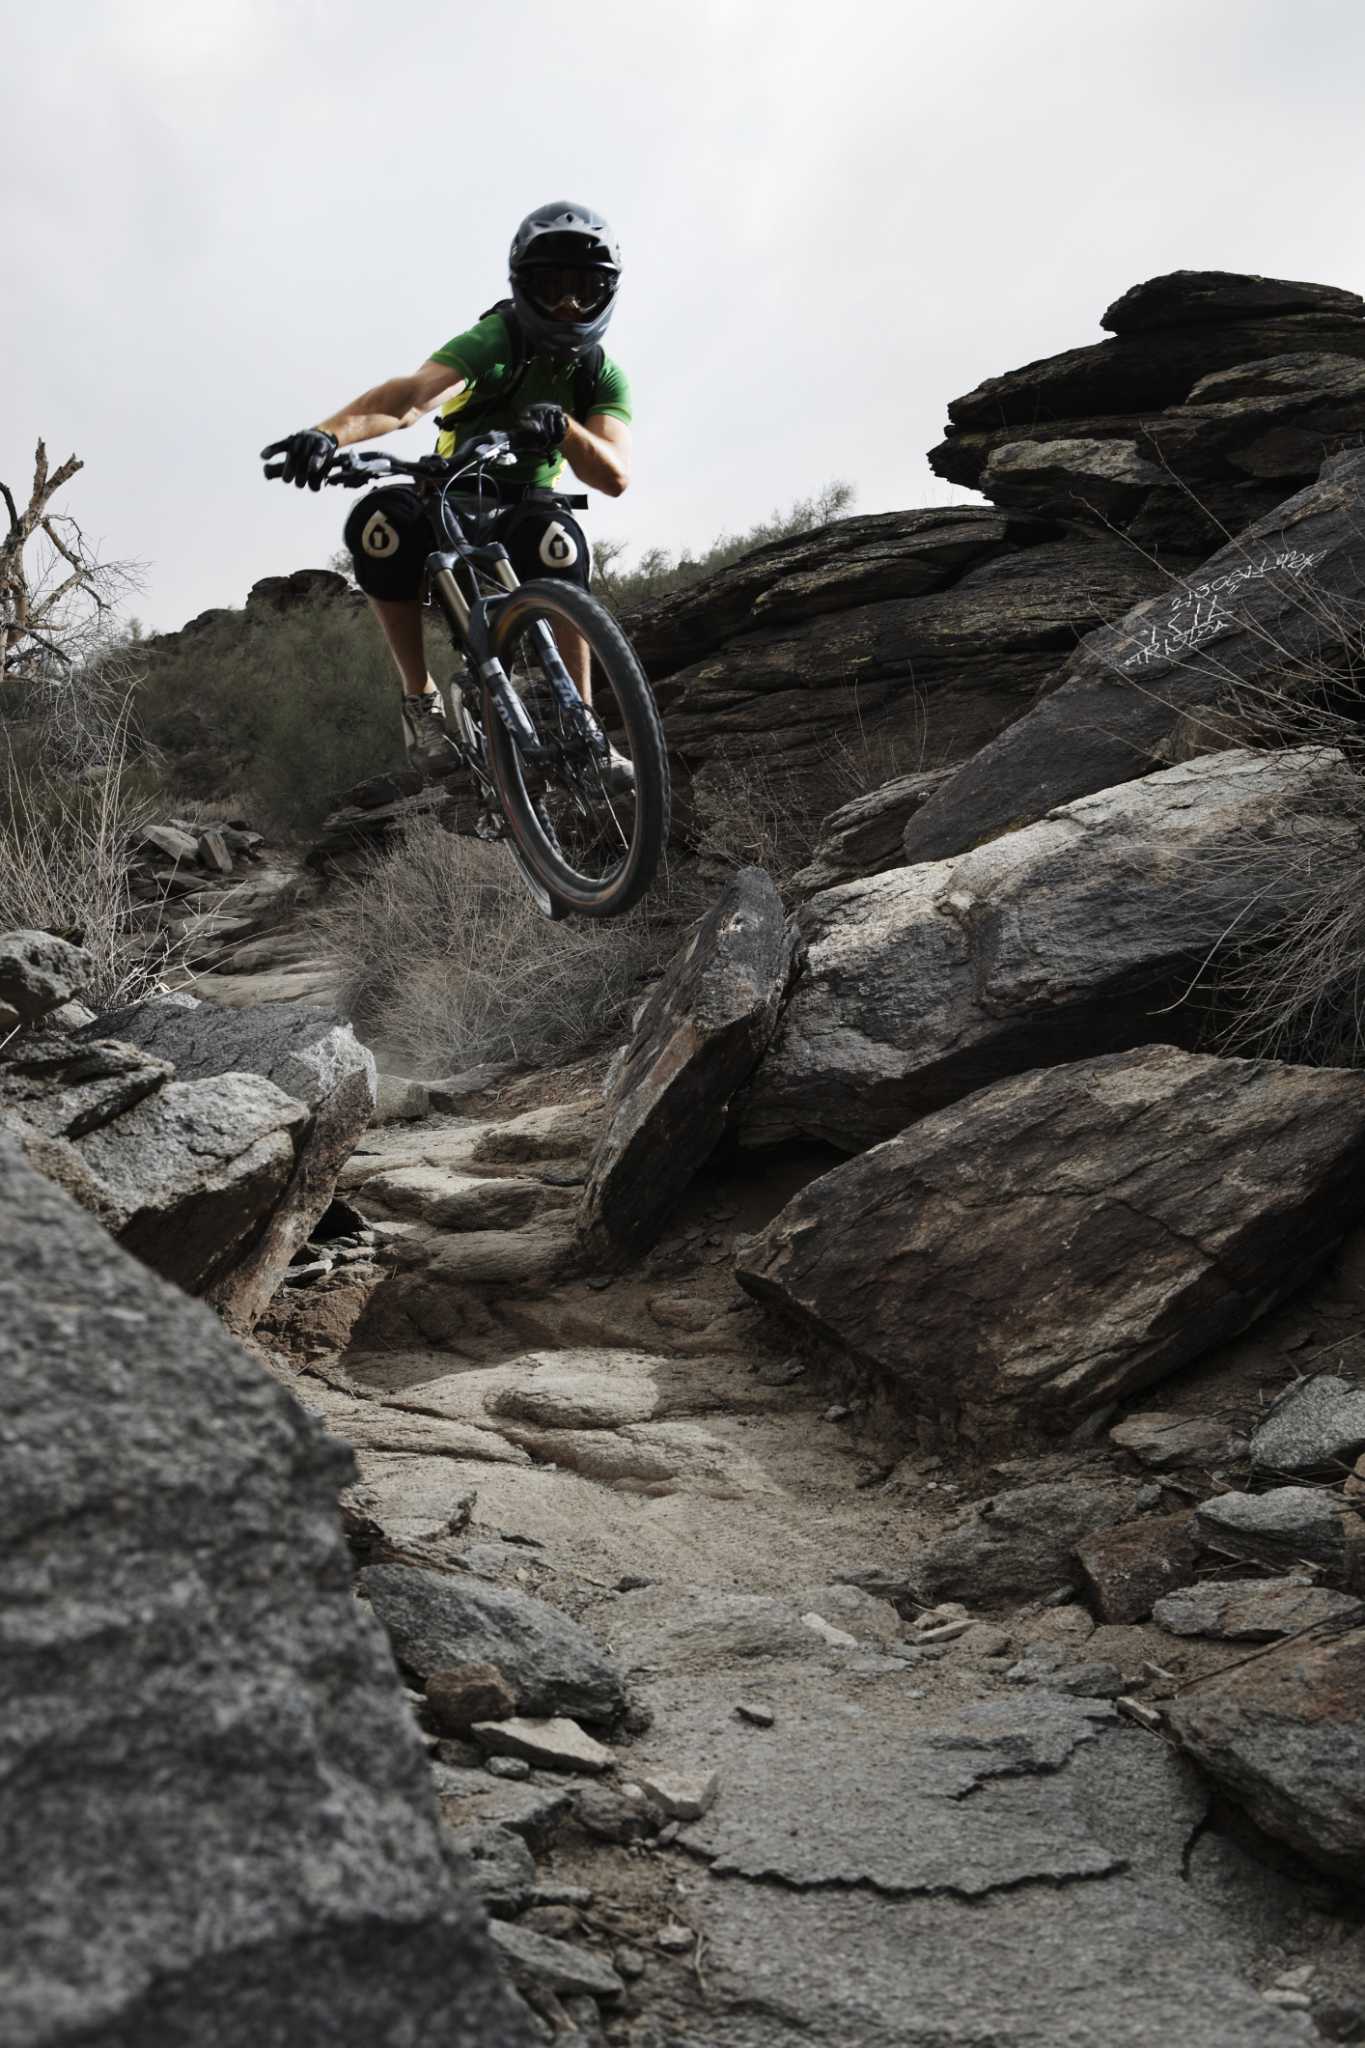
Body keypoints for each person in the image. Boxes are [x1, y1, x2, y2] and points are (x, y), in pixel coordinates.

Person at [261, 201, 632, 778]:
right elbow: (411, 398)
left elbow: (613, 475)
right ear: (524, 288)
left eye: (583, 291)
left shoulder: (600, 374)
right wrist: (327, 435)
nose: (567, 306)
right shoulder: (498, 338)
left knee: (559, 543)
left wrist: (565, 428)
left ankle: (583, 725)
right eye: (552, 288)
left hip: (528, 506)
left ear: (605, 293)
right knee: (381, 526)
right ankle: (420, 699)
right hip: (453, 487)